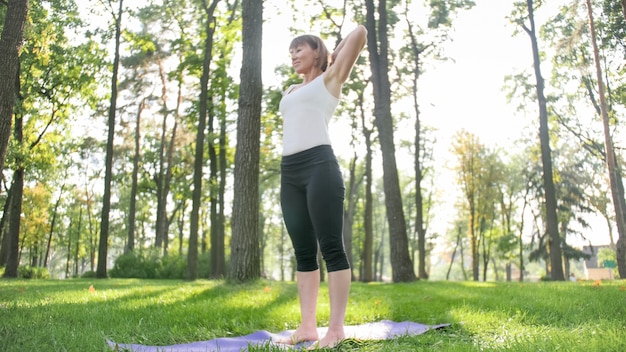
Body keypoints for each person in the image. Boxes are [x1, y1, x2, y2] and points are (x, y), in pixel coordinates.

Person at [276, 25, 367, 349]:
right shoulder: (288, 90)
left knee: (331, 247)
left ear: (316, 52)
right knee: (303, 252)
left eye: (300, 49)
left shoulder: (330, 80)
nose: (294, 56)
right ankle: (307, 327)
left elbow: (359, 33)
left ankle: (336, 330)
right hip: (290, 172)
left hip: (320, 167)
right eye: (291, 52)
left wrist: (332, 54)